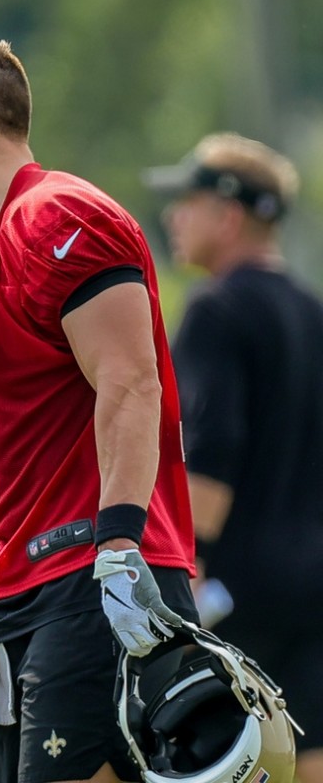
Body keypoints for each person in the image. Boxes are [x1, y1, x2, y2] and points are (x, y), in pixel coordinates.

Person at [0, 31, 200, 783]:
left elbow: (130, 382)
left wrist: (120, 549)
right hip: (15, 598)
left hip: (91, 580)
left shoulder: (58, 215)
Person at [144, 131, 323, 782]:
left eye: (185, 201)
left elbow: (213, 451)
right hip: (314, 578)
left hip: (239, 588)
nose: (172, 217)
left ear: (227, 213)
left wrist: (182, 567)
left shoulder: (218, 308)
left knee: (226, 762)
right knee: (311, 752)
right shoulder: (311, 309)